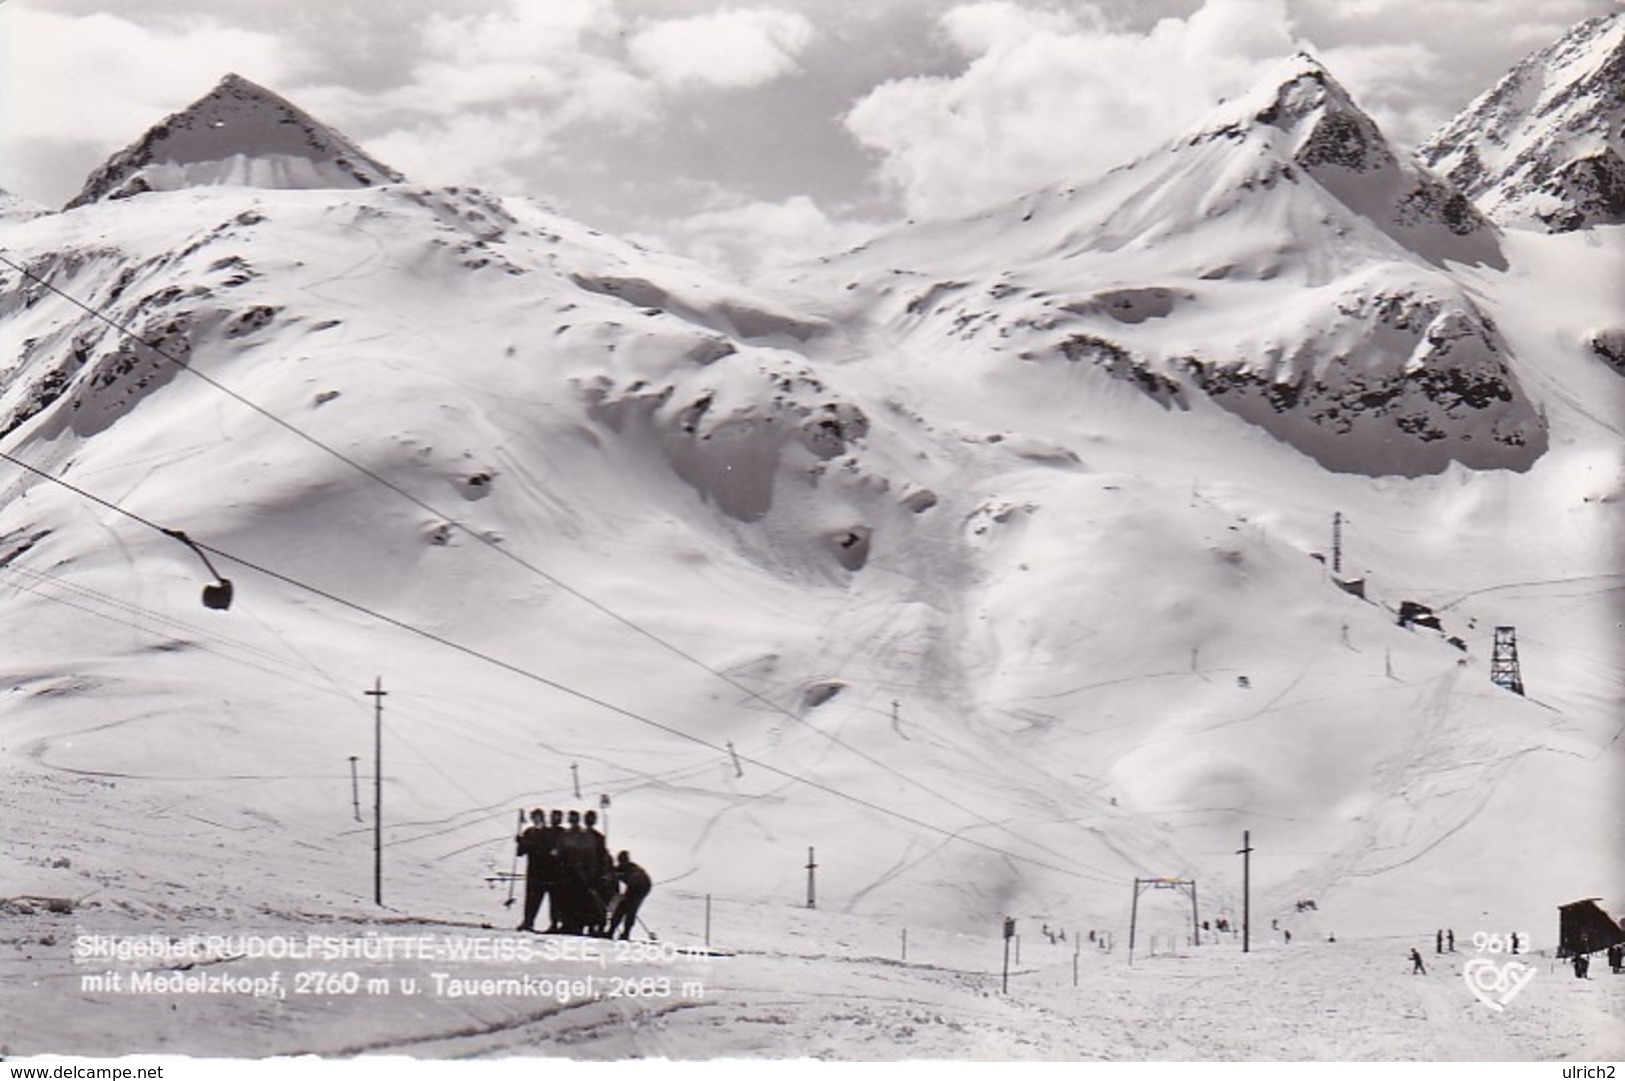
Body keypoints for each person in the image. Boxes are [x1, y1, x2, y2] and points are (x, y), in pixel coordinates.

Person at [514, 808, 554, 933]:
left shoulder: (548, 833)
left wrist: (527, 844)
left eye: (538, 817)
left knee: (552, 899)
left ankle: (554, 923)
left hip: (548, 871)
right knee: (531, 898)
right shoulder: (529, 832)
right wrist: (520, 843)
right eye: (534, 818)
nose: (536, 820)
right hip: (533, 870)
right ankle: (528, 921)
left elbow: (546, 849)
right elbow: (520, 853)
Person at [607, 850, 652, 941]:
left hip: (640, 888)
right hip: (634, 887)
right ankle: (612, 931)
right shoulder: (625, 867)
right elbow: (616, 871)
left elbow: (626, 877)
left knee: (629, 910)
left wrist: (616, 876)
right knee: (623, 908)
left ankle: (624, 933)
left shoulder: (634, 870)